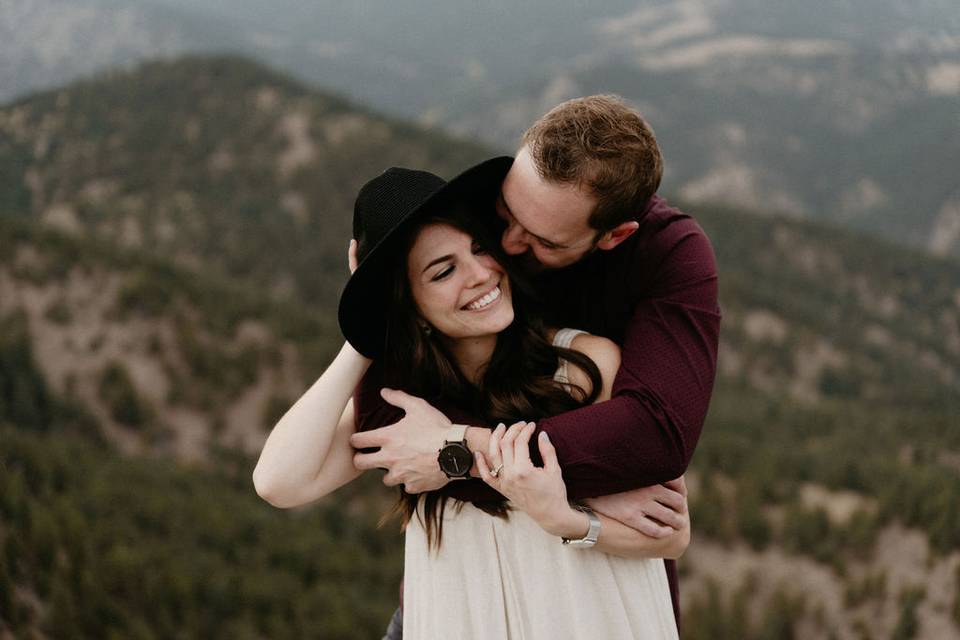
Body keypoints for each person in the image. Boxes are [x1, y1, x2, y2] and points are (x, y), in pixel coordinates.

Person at [253, 164, 689, 639]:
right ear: (410, 306)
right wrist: (364, 333)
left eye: (480, 248)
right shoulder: (406, 407)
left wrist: (558, 513)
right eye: (444, 271)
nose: (481, 274)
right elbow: (280, 481)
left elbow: (669, 534)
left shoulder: (584, 366)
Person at [349, 95, 721, 635]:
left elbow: (655, 434)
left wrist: (457, 451)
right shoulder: (478, 209)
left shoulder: (670, 254)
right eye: (505, 214)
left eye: (543, 240)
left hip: (587, 592)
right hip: (456, 591)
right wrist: (365, 299)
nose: (505, 243)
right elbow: (388, 422)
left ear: (614, 236)